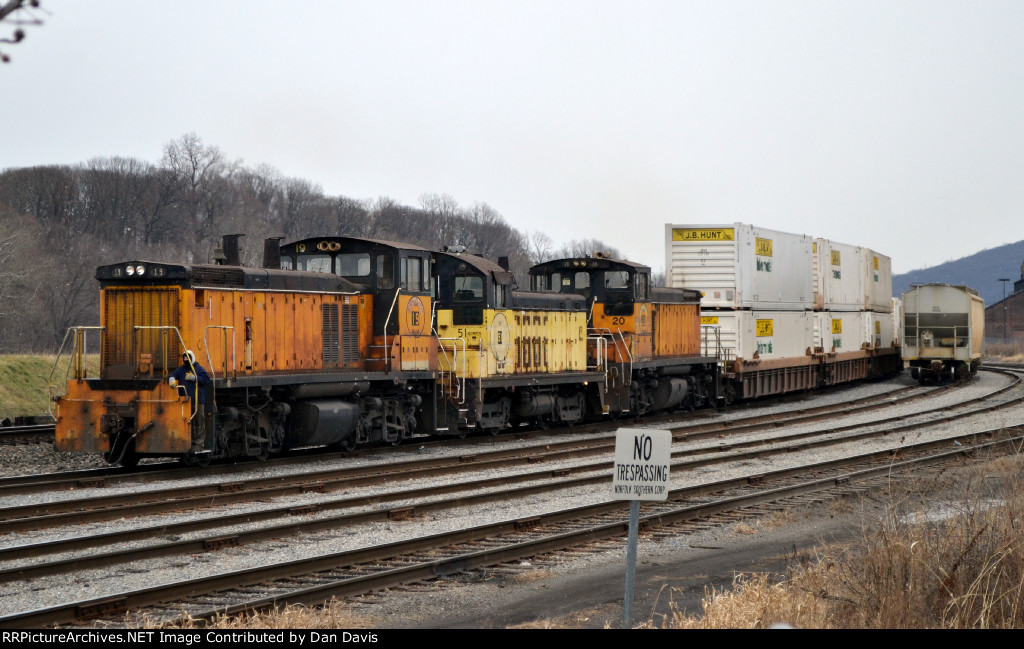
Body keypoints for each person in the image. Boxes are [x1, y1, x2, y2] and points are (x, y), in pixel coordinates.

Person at [168, 350, 211, 453]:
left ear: (192, 358)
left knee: (198, 422)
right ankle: (187, 443)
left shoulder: (199, 369)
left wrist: (194, 377)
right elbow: (172, 374)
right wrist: (171, 379)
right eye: (184, 358)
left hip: (198, 401)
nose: (185, 360)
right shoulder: (181, 370)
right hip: (186, 401)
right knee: (187, 423)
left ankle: (199, 444)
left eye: (187, 358)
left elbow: (206, 380)